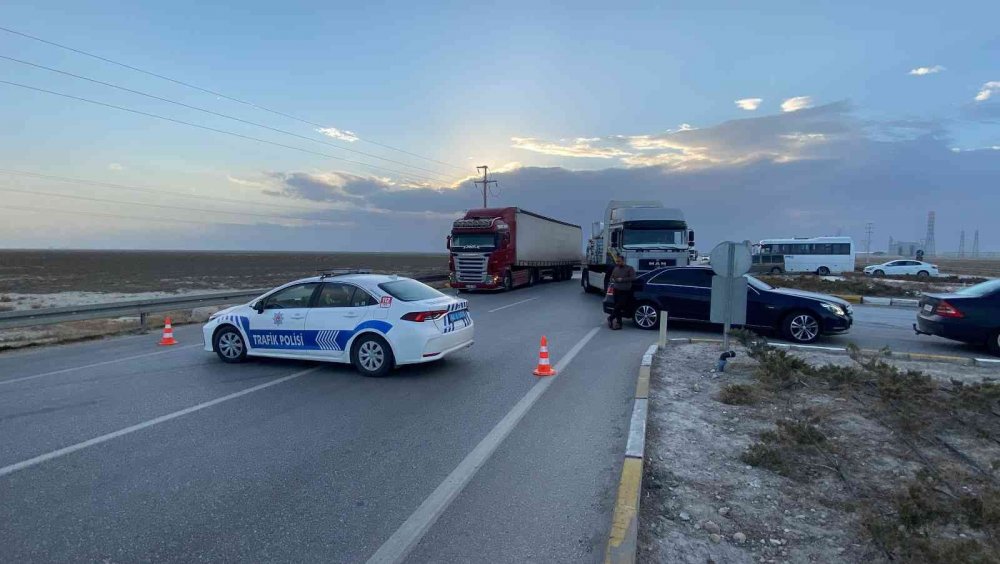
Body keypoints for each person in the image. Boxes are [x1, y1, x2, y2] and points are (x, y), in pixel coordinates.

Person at [608, 255, 636, 330]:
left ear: (623, 261)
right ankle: (619, 323)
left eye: (619, 261)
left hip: (625, 291)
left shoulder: (629, 268)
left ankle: (611, 317)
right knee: (618, 307)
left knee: (621, 305)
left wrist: (622, 279)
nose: (617, 263)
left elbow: (633, 278)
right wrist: (613, 280)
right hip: (616, 290)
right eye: (617, 261)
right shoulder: (616, 268)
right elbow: (611, 277)